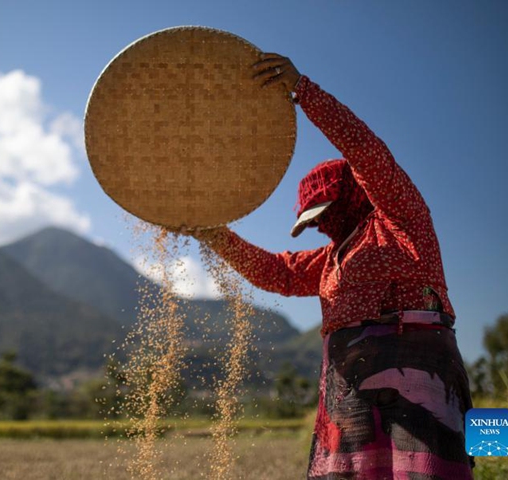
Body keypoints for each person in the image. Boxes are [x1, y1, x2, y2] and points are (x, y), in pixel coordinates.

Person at [183, 53, 475, 479]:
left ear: (353, 193)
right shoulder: (334, 256)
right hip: (349, 396)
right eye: (315, 221)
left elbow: (364, 150)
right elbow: (277, 272)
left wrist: (305, 91)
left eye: (326, 213)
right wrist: (214, 235)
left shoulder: (401, 219)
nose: (323, 225)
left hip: (421, 380)